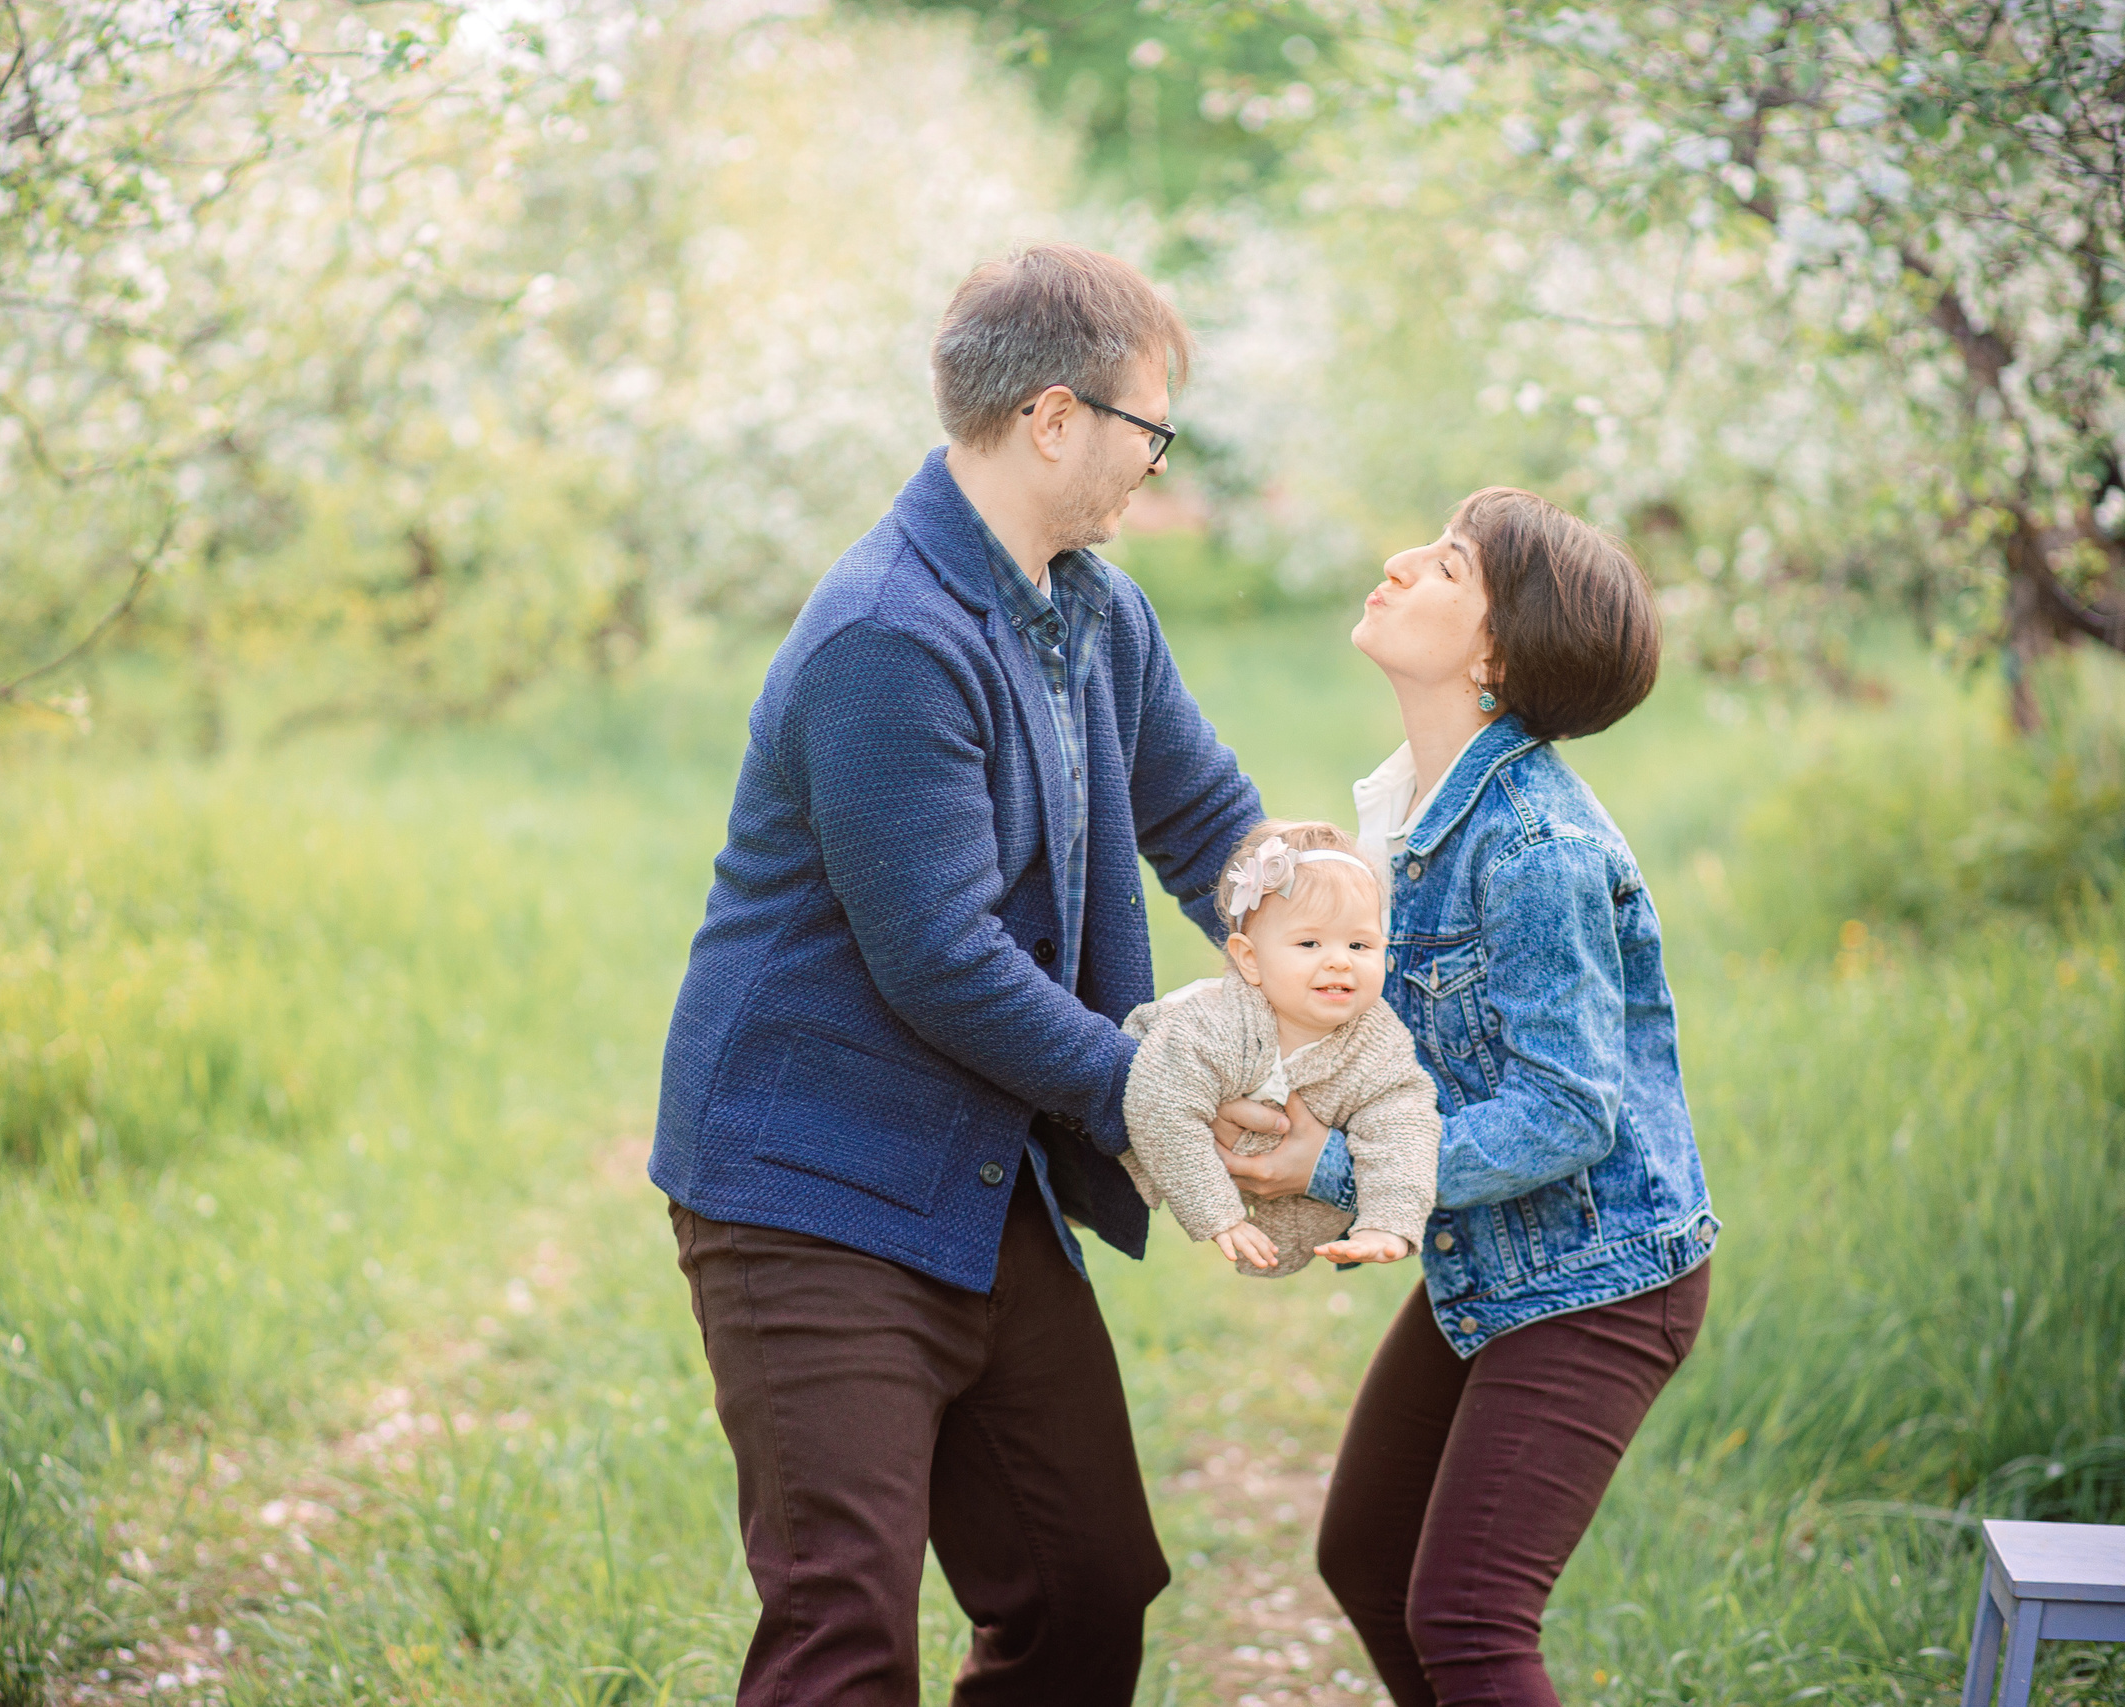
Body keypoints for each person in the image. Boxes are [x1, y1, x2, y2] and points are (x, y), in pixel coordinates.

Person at [647, 243, 1264, 1705]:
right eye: (1149, 432)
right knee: (842, 1633)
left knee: (1086, 1585)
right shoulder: (888, 633)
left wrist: (1323, 941)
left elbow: (1205, 820)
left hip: (980, 1183)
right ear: (1054, 418)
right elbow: (943, 959)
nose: (1155, 469)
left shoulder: (1097, 613)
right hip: (808, 1189)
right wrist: (1163, 1097)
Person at [1224, 487, 1719, 1706]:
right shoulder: (1416, 813)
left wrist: (1334, 1173)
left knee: (1466, 1614)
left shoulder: (1535, 847)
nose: (1397, 562)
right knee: (1368, 1560)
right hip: (1499, 1255)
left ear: (1494, 653)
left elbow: (1564, 1113)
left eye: (1444, 567)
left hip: (1599, 1278)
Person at [1117, 819, 1437, 1278]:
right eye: (1310, 942)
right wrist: (1217, 1212)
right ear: (1250, 959)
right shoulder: (1213, 1024)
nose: (1339, 959)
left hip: (1289, 1193)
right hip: (1157, 1144)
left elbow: (1404, 1128)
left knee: (1404, 1117)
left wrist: (1389, 1222)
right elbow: (1160, 1104)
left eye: (1359, 944)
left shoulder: (1378, 1042)